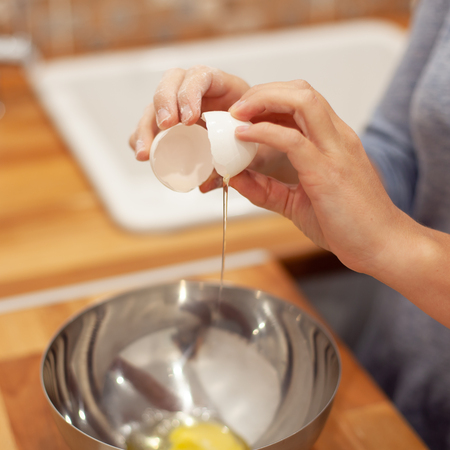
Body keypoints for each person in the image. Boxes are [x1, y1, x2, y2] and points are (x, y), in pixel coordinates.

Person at [129, 0, 450, 447]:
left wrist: (392, 245)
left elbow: (389, 231)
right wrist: (276, 150)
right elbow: (404, 157)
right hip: (400, 379)